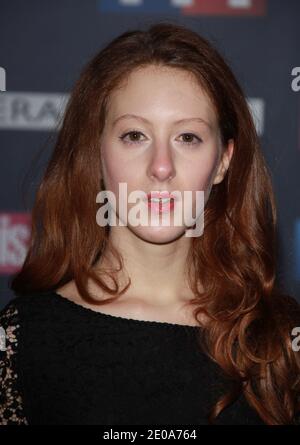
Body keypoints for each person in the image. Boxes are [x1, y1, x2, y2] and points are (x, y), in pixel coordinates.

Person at [0, 21, 300, 425]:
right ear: (96, 152)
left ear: (223, 162)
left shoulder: (280, 342)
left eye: (188, 138)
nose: (161, 167)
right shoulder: (21, 339)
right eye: (135, 135)